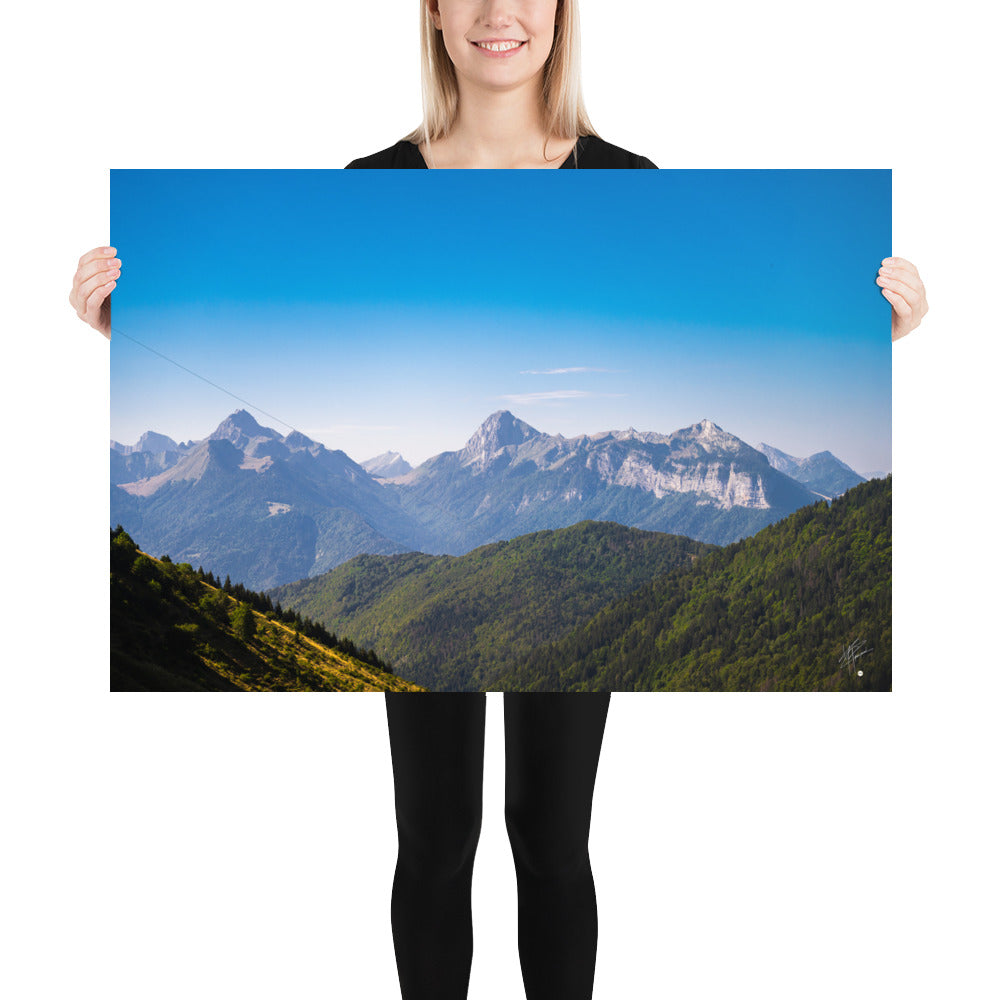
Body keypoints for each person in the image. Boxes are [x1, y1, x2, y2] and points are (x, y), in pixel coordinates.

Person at [70, 2, 928, 998]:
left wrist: (881, 334)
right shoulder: (372, 188)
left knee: (552, 838)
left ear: (564, 13)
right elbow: (220, 311)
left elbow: (797, 286)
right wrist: (121, 324)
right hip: (429, 651)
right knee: (436, 840)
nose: (497, 13)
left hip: (545, 632)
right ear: (430, 13)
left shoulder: (624, 185)